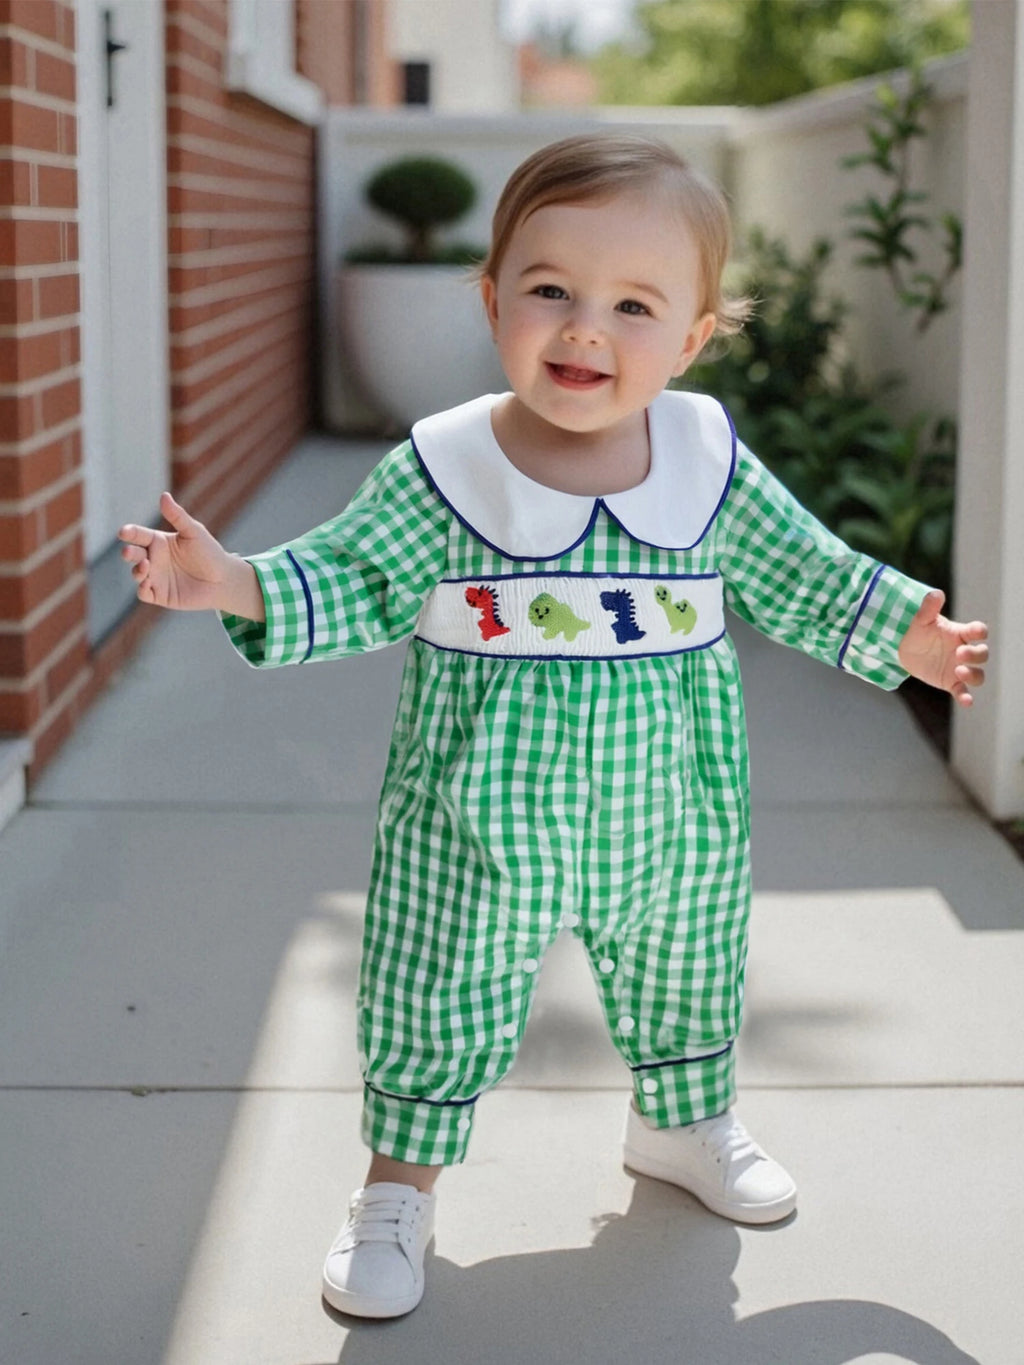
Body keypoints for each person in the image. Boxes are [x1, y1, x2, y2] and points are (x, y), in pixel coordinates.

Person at [118, 134, 989, 1321]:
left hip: (670, 805)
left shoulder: (705, 462)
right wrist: (234, 583)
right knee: (437, 982)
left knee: (687, 960)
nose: (585, 329)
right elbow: (351, 574)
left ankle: (682, 1124)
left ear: (689, 340)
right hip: (474, 814)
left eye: (633, 305)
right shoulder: (445, 469)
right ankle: (397, 1188)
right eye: (549, 290)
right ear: (492, 302)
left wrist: (903, 638)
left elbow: (805, 571)